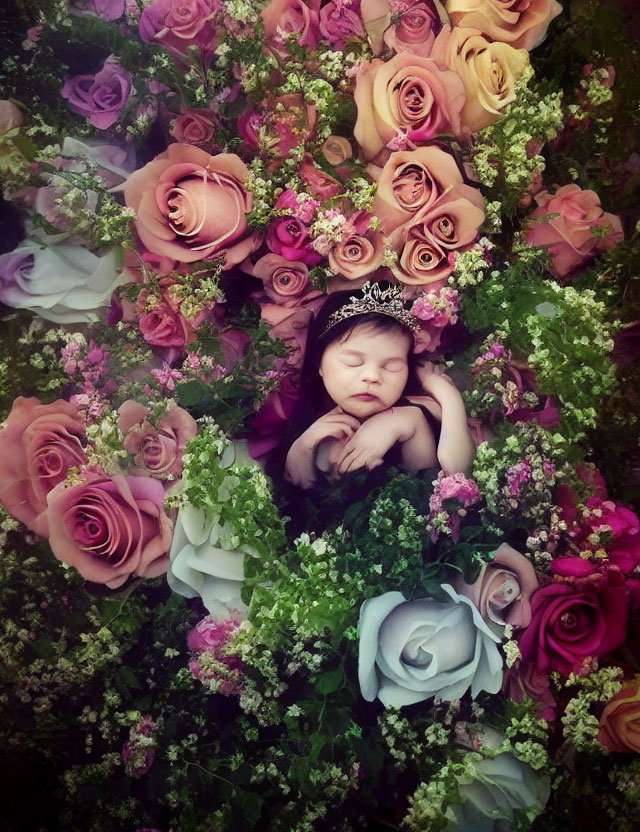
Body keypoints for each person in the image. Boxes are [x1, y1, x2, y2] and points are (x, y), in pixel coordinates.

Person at [266, 282, 476, 491]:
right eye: (353, 362)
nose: (372, 376)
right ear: (319, 362)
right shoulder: (303, 425)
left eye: (392, 366)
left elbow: (458, 473)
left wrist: (443, 396)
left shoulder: (418, 410)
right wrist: (301, 450)